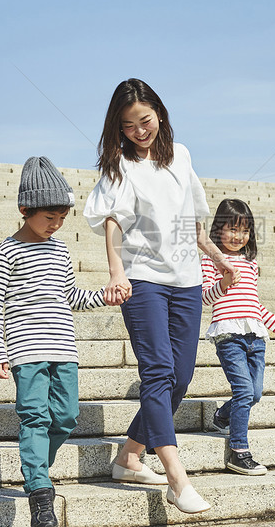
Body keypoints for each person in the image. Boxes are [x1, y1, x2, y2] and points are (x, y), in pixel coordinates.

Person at [83, 78, 239, 515]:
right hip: (142, 280)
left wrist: (218, 260)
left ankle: (129, 457)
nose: (139, 131)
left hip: (186, 279)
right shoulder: (119, 166)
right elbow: (112, 222)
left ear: (160, 115)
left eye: (145, 120)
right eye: (128, 124)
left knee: (181, 377)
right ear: (118, 127)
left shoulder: (181, 155)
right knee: (158, 372)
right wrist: (117, 273)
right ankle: (177, 479)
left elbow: (190, 221)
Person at [0, 156, 110, 527]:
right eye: (48, 218)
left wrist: (105, 295)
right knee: (34, 417)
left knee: (66, 417)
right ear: (25, 210)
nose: (55, 226)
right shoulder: (7, 251)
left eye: (60, 219)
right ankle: (40, 491)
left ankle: (35, 469)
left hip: (64, 349)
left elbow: (71, 296)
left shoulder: (59, 250)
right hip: (26, 350)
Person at [201, 198, 275, 475]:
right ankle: (239, 451)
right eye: (232, 229)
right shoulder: (210, 261)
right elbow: (205, 297)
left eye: (244, 231)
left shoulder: (250, 264)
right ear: (218, 229)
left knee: (254, 393)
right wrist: (223, 283)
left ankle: (223, 414)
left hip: (255, 336)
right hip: (228, 335)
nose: (238, 236)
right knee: (244, 390)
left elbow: (253, 305)